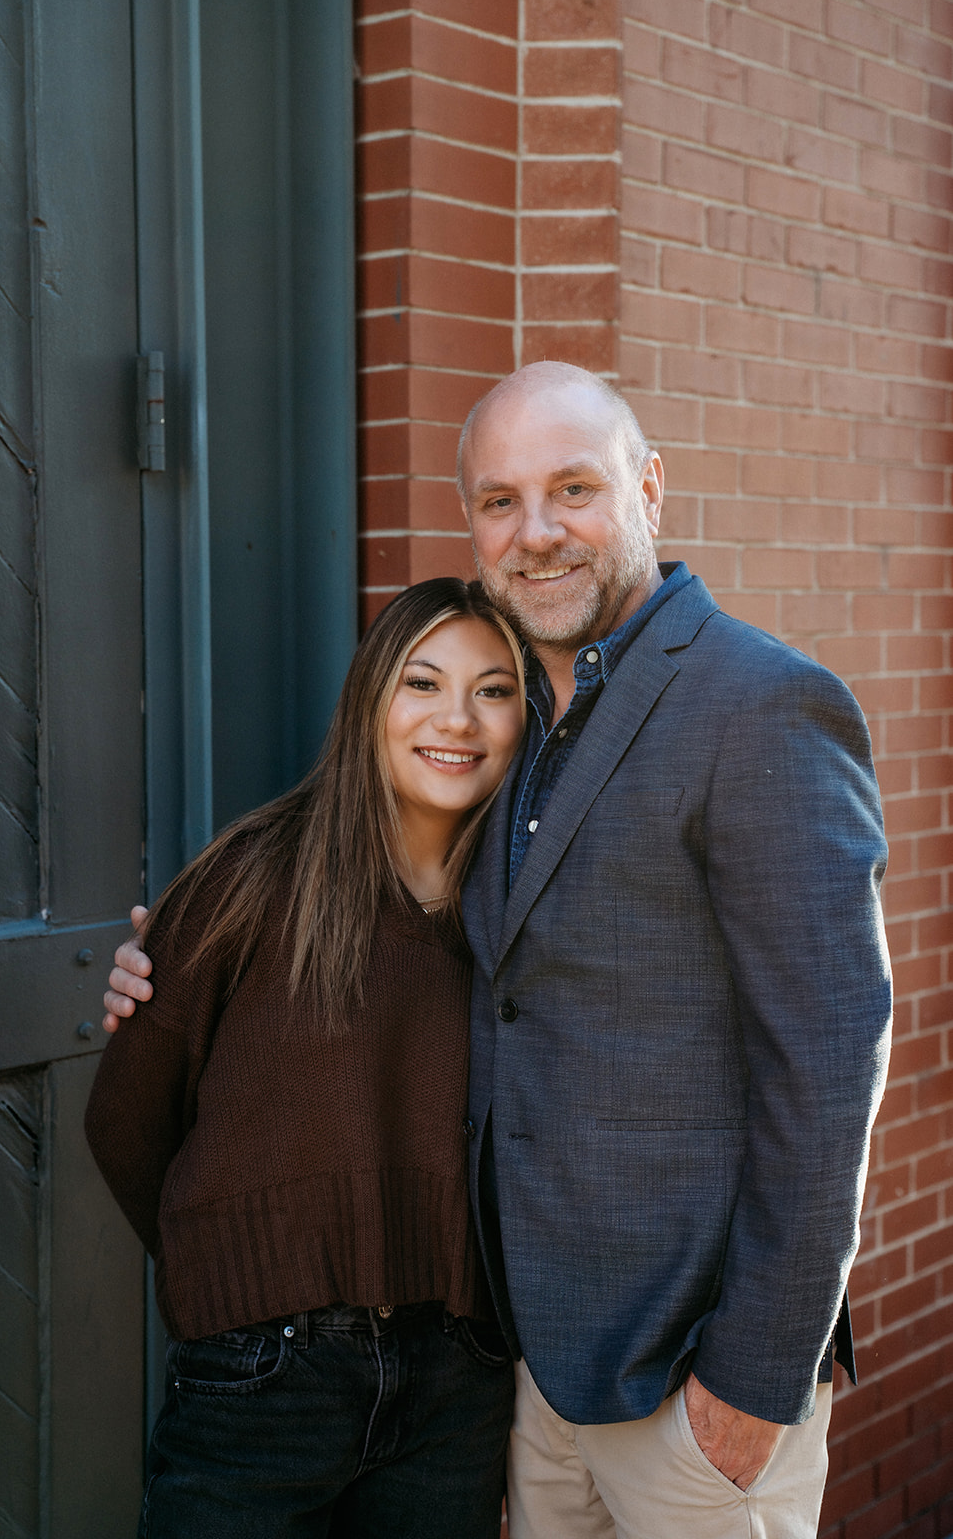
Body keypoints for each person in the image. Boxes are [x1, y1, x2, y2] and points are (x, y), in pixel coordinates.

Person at [106, 363, 892, 1539]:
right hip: (525, 1375)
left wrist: (750, 1381)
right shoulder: (522, 732)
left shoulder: (758, 704)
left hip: (689, 1383)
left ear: (648, 488)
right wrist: (175, 972)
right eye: (497, 501)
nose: (535, 533)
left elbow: (829, 1062)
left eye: (572, 489)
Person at [86, 576, 527, 1539]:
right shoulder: (251, 879)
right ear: (370, 698)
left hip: (459, 1380)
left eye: (494, 690)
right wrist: (242, 1273)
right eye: (422, 682)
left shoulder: (524, 910)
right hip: (261, 1374)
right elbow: (125, 1119)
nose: (456, 718)